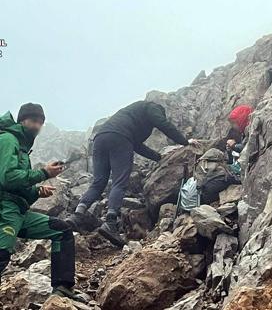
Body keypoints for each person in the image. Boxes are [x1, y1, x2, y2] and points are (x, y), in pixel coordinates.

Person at [67, 101, 200, 247]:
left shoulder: (132, 115)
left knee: (98, 182)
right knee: (119, 182)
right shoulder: (152, 106)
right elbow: (162, 123)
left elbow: (137, 145)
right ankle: (110, 223)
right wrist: (185, 142)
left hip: (100, 139)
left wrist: (158, 157)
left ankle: (77, 215)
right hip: (120, 138)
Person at [0, 103, 80, 300]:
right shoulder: (8, 139)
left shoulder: (23, 147)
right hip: (4, 209)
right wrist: (43, 172)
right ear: (22, 121)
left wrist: (37, 191)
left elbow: (19, 187)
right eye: (33, 121)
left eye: (40, 122)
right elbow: (7, 177)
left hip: (19, 212)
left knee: (62, 230)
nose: (37, 126)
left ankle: (63, 289)